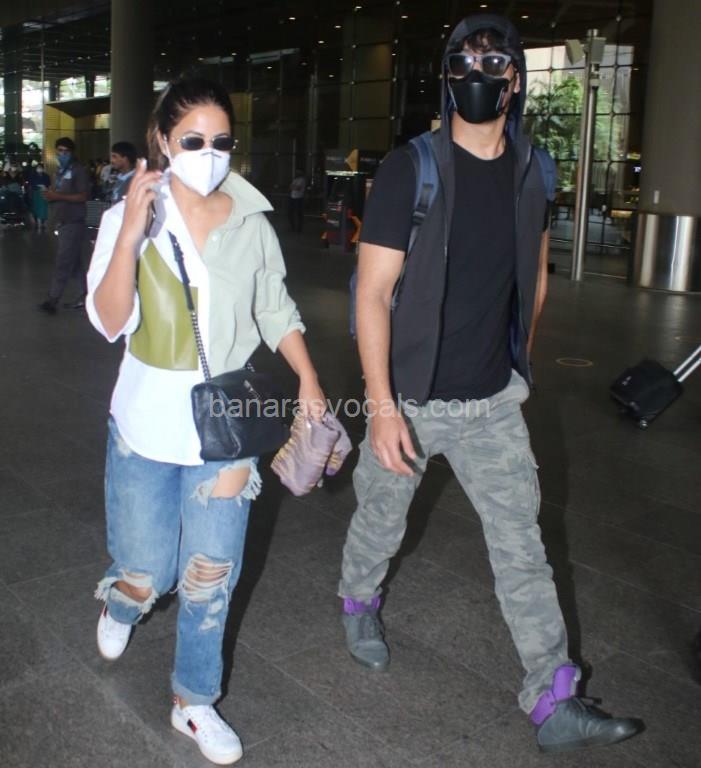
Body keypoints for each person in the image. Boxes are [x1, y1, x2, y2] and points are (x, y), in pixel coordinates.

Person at [337, 13, 643, 754]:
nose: (477, 77)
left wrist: (516, 363)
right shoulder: (410, 169)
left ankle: (553, 696)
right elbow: (371, 293)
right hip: (410, 400)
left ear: (514, 80)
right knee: (380, 522)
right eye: (463, 64)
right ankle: (357, 601)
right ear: (447, 77)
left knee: (521, 547)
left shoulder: (534, 168)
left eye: (493, 64)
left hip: (491, 402)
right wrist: (382, 409)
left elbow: (533, 273)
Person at [86, 77, 326, 766]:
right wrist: (131, 233)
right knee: (148, 571)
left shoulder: (250, 221)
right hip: (143, 427)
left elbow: (274, 308)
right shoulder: (129, 216)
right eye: (193, 140)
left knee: (209, 575)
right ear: (164, 140)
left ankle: (193, 701)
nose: (209, 153)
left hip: (225, 430)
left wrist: (309, 381)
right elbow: (108, 320)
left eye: (222, 141)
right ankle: (124, 600)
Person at [38, 137, 90, 313]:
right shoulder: (59, 172)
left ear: (72, 153)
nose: (62, 154)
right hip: (62, 221)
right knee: (74, 264)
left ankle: (52, 299)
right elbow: (58, 193)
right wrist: (50, 195)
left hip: (73, 222)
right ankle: (87, 294)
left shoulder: (78, 171)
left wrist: (57, 196)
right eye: (59, 151)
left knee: (63, 261)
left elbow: (83, 196)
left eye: (66, 151)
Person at [108, 141, 137, 205]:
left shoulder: (135, 180)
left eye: (114, 157)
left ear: (125, 159)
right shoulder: (119, 178)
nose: (111, 160)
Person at [29, 162, 50, 231]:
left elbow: (48, 184)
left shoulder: (46, 176)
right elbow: (31, 184)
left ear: (43, 169)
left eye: (40, 168)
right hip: (36, 193)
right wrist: (38, 186)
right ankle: (39, 223)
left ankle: (44, 223)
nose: (39, 169)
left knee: (44, 208)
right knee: (37, 208)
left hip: (44, 193)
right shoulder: (33, 176)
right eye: (38, 168)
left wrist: (45, 187)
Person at [288, 168, 306, 233]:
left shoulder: (302, 179)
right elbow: (290, 187)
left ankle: (299, 229)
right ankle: (293, 227)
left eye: (298, 172)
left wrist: (293, 187)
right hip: (292, 197)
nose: (296, 173)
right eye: (296, 172)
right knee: (290, 213)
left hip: (299, 198)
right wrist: (293, 187)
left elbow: (297, 188)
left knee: (299, 214)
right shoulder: (295, 179)